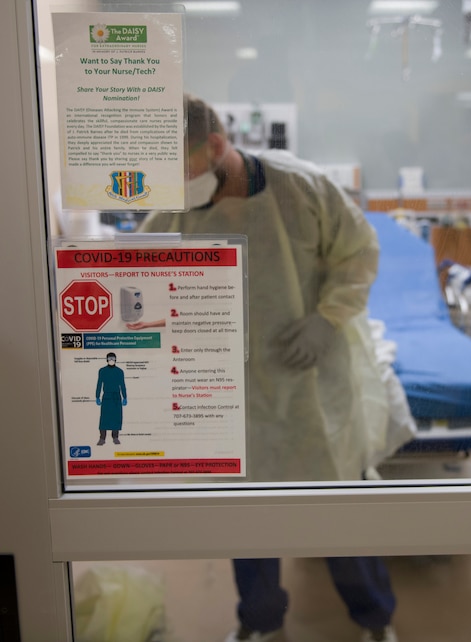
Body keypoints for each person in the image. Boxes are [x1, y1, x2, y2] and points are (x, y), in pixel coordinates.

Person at [140, 95, 403, 642]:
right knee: (247, 518)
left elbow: (358, 253)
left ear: (216, 147)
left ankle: (374, 619)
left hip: (312, 382)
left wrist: (328, 320)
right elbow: (138, 279)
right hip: (229, 393)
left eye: (179, 165)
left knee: (339, 515)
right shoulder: (172, 209)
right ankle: (261, 623)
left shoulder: (300, 187)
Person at [95, 352, 127, 445]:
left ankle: (115, 437)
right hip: (107, 396)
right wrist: (97, 396)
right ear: (107, 359)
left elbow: (122, 385)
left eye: (113, 358)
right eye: (109, 358)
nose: (111, 360)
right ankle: (102, 438)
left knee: (116, 417)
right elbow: (99, 384)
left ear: (116, 359)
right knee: (104, 418)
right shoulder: (102, 371)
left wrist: (125, 397)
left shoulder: (119, 371)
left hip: (116, 397)